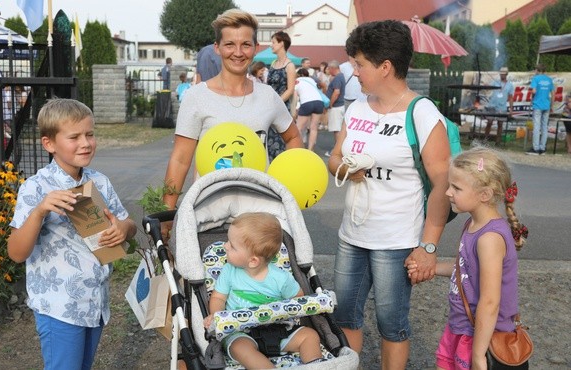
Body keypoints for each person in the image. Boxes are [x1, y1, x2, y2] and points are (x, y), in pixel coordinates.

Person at [327, 20, 452, 369]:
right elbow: (334, 157)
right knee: (345, 318)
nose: (355, 73)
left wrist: (428, 247)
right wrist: (346, 168)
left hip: (396, 240)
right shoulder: (357, 108)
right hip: (351, 236)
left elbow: (443, 184)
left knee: (391, 324)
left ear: (385, 67)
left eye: (360, 64)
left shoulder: (423, 114)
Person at [7, 99, 137, 370]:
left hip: (94, 303)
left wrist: (123, 229)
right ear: (49, 144)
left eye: (90, 134)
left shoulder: (99, 181)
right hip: (59, 307)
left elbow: (128, 224)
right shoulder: (36, 188)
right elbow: (16, 253)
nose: (86, 143)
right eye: (74, 137)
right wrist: (40, 211)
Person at [161, 9, 302, 227]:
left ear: (255, 48)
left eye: (246, 44)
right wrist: (166, 217)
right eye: (229, 45)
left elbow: (293, 137)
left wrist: (289, 179)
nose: (238, 52)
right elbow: (180, 160)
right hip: (208, 215)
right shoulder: (196, 97)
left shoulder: (267, 96)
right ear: (217, 48)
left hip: (259, 216)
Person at [407, 147, 527, 370]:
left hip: (480, 336)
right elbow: (466, 269)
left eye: (456, 187)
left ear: (485, 195)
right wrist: (432, 269)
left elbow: (490, 302)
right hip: (460, 328)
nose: (447, 193)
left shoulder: (489, 238)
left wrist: (479, 355)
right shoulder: (473, 224)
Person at [203, 212, 324, 368]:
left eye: (231, 245)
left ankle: (315, 365)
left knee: (310, 336)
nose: (225, 246)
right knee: (239, 348)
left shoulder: (281, 278)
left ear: (253, 261)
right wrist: (216, 315)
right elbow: (219, 297)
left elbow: (299, 300)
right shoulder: (228, 271)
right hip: (241, 332)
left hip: (280, 330)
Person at [266, 31, 297, 160]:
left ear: (281, 43)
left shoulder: (289, 66)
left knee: (280, 141)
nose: (271, 45)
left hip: (282, 107)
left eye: (273, 42)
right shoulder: (273, 64)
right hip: (269, 106)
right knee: (268, 141)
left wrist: (276, 103)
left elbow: (290, 89)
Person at [526, 63, 554, 155]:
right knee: (544, 127)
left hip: (538, 105)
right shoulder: (549, 80)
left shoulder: (536, 78)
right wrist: (552, 106)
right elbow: (553, 94)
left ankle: (535, 148)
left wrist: (533, 95)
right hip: (547, 105)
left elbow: (533, 91)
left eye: (535, 70)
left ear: (537, 70)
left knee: (537, 127)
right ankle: (543, 148)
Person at [294, 68, 324, 151]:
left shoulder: (297, 81)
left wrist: (294, 110)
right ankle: (310, 149)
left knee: (299, 127)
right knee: (314, 128)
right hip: (319, 102)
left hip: (306, 103)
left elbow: (295, 98)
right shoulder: (311, 80)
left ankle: (299, 148)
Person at [484, 67, 514, 146]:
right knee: (489, 122)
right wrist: (486, 86)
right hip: (492, 105)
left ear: (506, 74)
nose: (502, 75)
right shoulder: (495, 82)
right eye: (501, 74)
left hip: (502, 107)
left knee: (500, 124)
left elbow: (511, 97)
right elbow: (488, 88)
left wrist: (511, 109)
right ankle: (485, 140)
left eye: (503, 74)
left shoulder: (510, 85)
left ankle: (498, 141)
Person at [323, 60, 345, 157]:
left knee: (337, 130)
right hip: (339, 106)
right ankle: (338, 150)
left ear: (332, 68)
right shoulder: (341, 76)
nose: (328, 71)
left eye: (329, 69)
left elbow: (336, 92)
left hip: (336, 107)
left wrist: (330, 104)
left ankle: (337, 151)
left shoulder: (337, 78)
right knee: (337, 129)